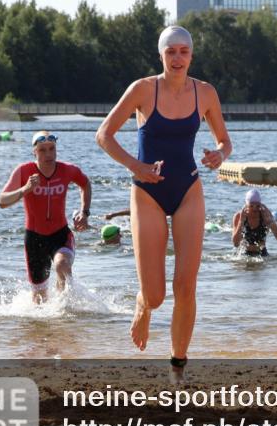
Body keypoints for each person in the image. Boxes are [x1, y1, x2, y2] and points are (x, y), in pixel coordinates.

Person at [96, 25, 231, 381]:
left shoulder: (205, 93)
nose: (177, 58)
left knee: (186, 285)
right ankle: (143, 305)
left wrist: (218, 155)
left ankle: (177, 364)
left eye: (183, 51)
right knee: (156, 295)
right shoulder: (143, 89)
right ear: (161, 55)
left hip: (188, 190)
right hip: (147, 194)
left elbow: (224, 142)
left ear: (191, 55)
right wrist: (136, 166)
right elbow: (104, 135)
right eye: (170, 51)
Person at [0, 131, 92, 303]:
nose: (48, 154)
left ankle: (66, 315)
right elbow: (2, 201)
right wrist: (25, 189)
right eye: (42, 150)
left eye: (52, 149)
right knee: (39, 300)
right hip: (34, 239)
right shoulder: (24, 171)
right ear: (34, 152)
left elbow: (85, 184)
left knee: (62, 265)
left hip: (60, 235)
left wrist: (84, 212)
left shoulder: (68, 170)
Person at [231, 189, 277, 256]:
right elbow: (235, 244)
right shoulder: (238, 216)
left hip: (262, 254)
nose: (255, 209)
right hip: (243, 254)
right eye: (251, 206)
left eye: (257, 206)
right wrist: (241, 222)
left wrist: (270, 222)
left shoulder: (265, 215)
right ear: (246, 205)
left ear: (261, 204)